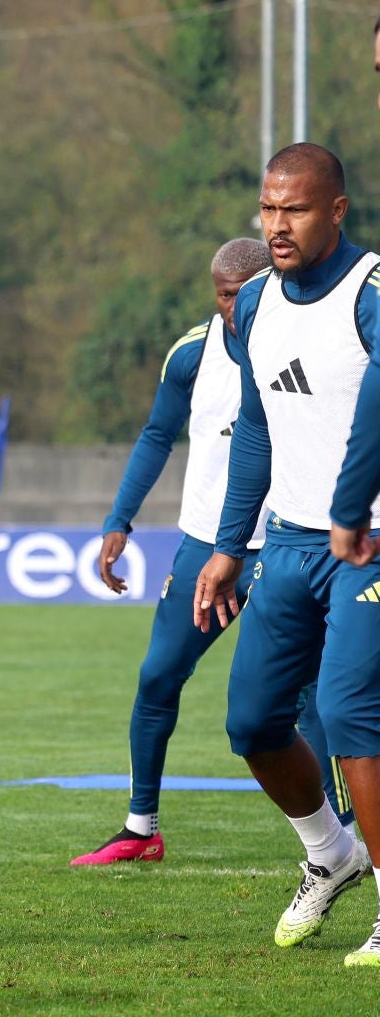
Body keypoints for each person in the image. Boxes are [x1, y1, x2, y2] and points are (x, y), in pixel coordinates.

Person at [76, 239, 347, 866]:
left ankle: (345, 835)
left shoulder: (300, 341)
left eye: (237, 293)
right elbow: (155, 434)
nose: (228, 306)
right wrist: (120, 518)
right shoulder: (191, 354)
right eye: (220, 294)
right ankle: (141, 828)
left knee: (310, 696)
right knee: (158, 675)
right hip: (205, 545)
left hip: (286, 540)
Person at [193, 144, 379, 958]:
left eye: (294, 209)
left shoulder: (369, 295)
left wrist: (351, 508)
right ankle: (332, 856)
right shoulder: (257, 304)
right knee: (253, 719)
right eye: (267, 209)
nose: (276, 225)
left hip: (368, 547)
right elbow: (259, 429)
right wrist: (230, 545)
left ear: (335, 210)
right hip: (292, 545)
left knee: (346, 712)